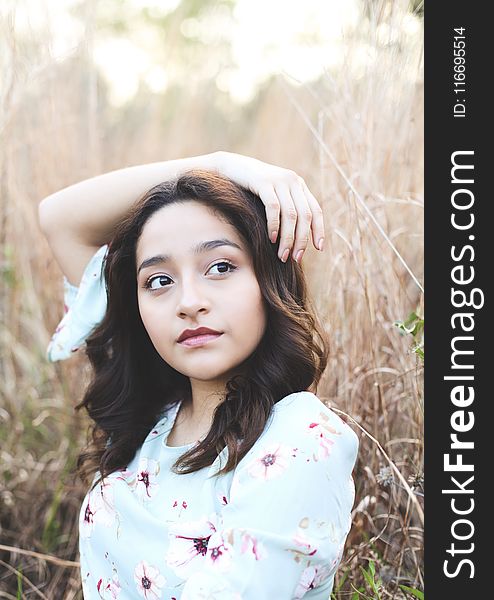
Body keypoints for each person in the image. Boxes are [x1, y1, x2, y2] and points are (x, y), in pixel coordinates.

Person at [38, 151, 359, 599]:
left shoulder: (299, 437)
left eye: (221, 267)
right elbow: (59, 219)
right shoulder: (148, 422)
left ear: (270, 280)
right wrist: (220, 163)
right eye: (159, 280)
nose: (189, 301)